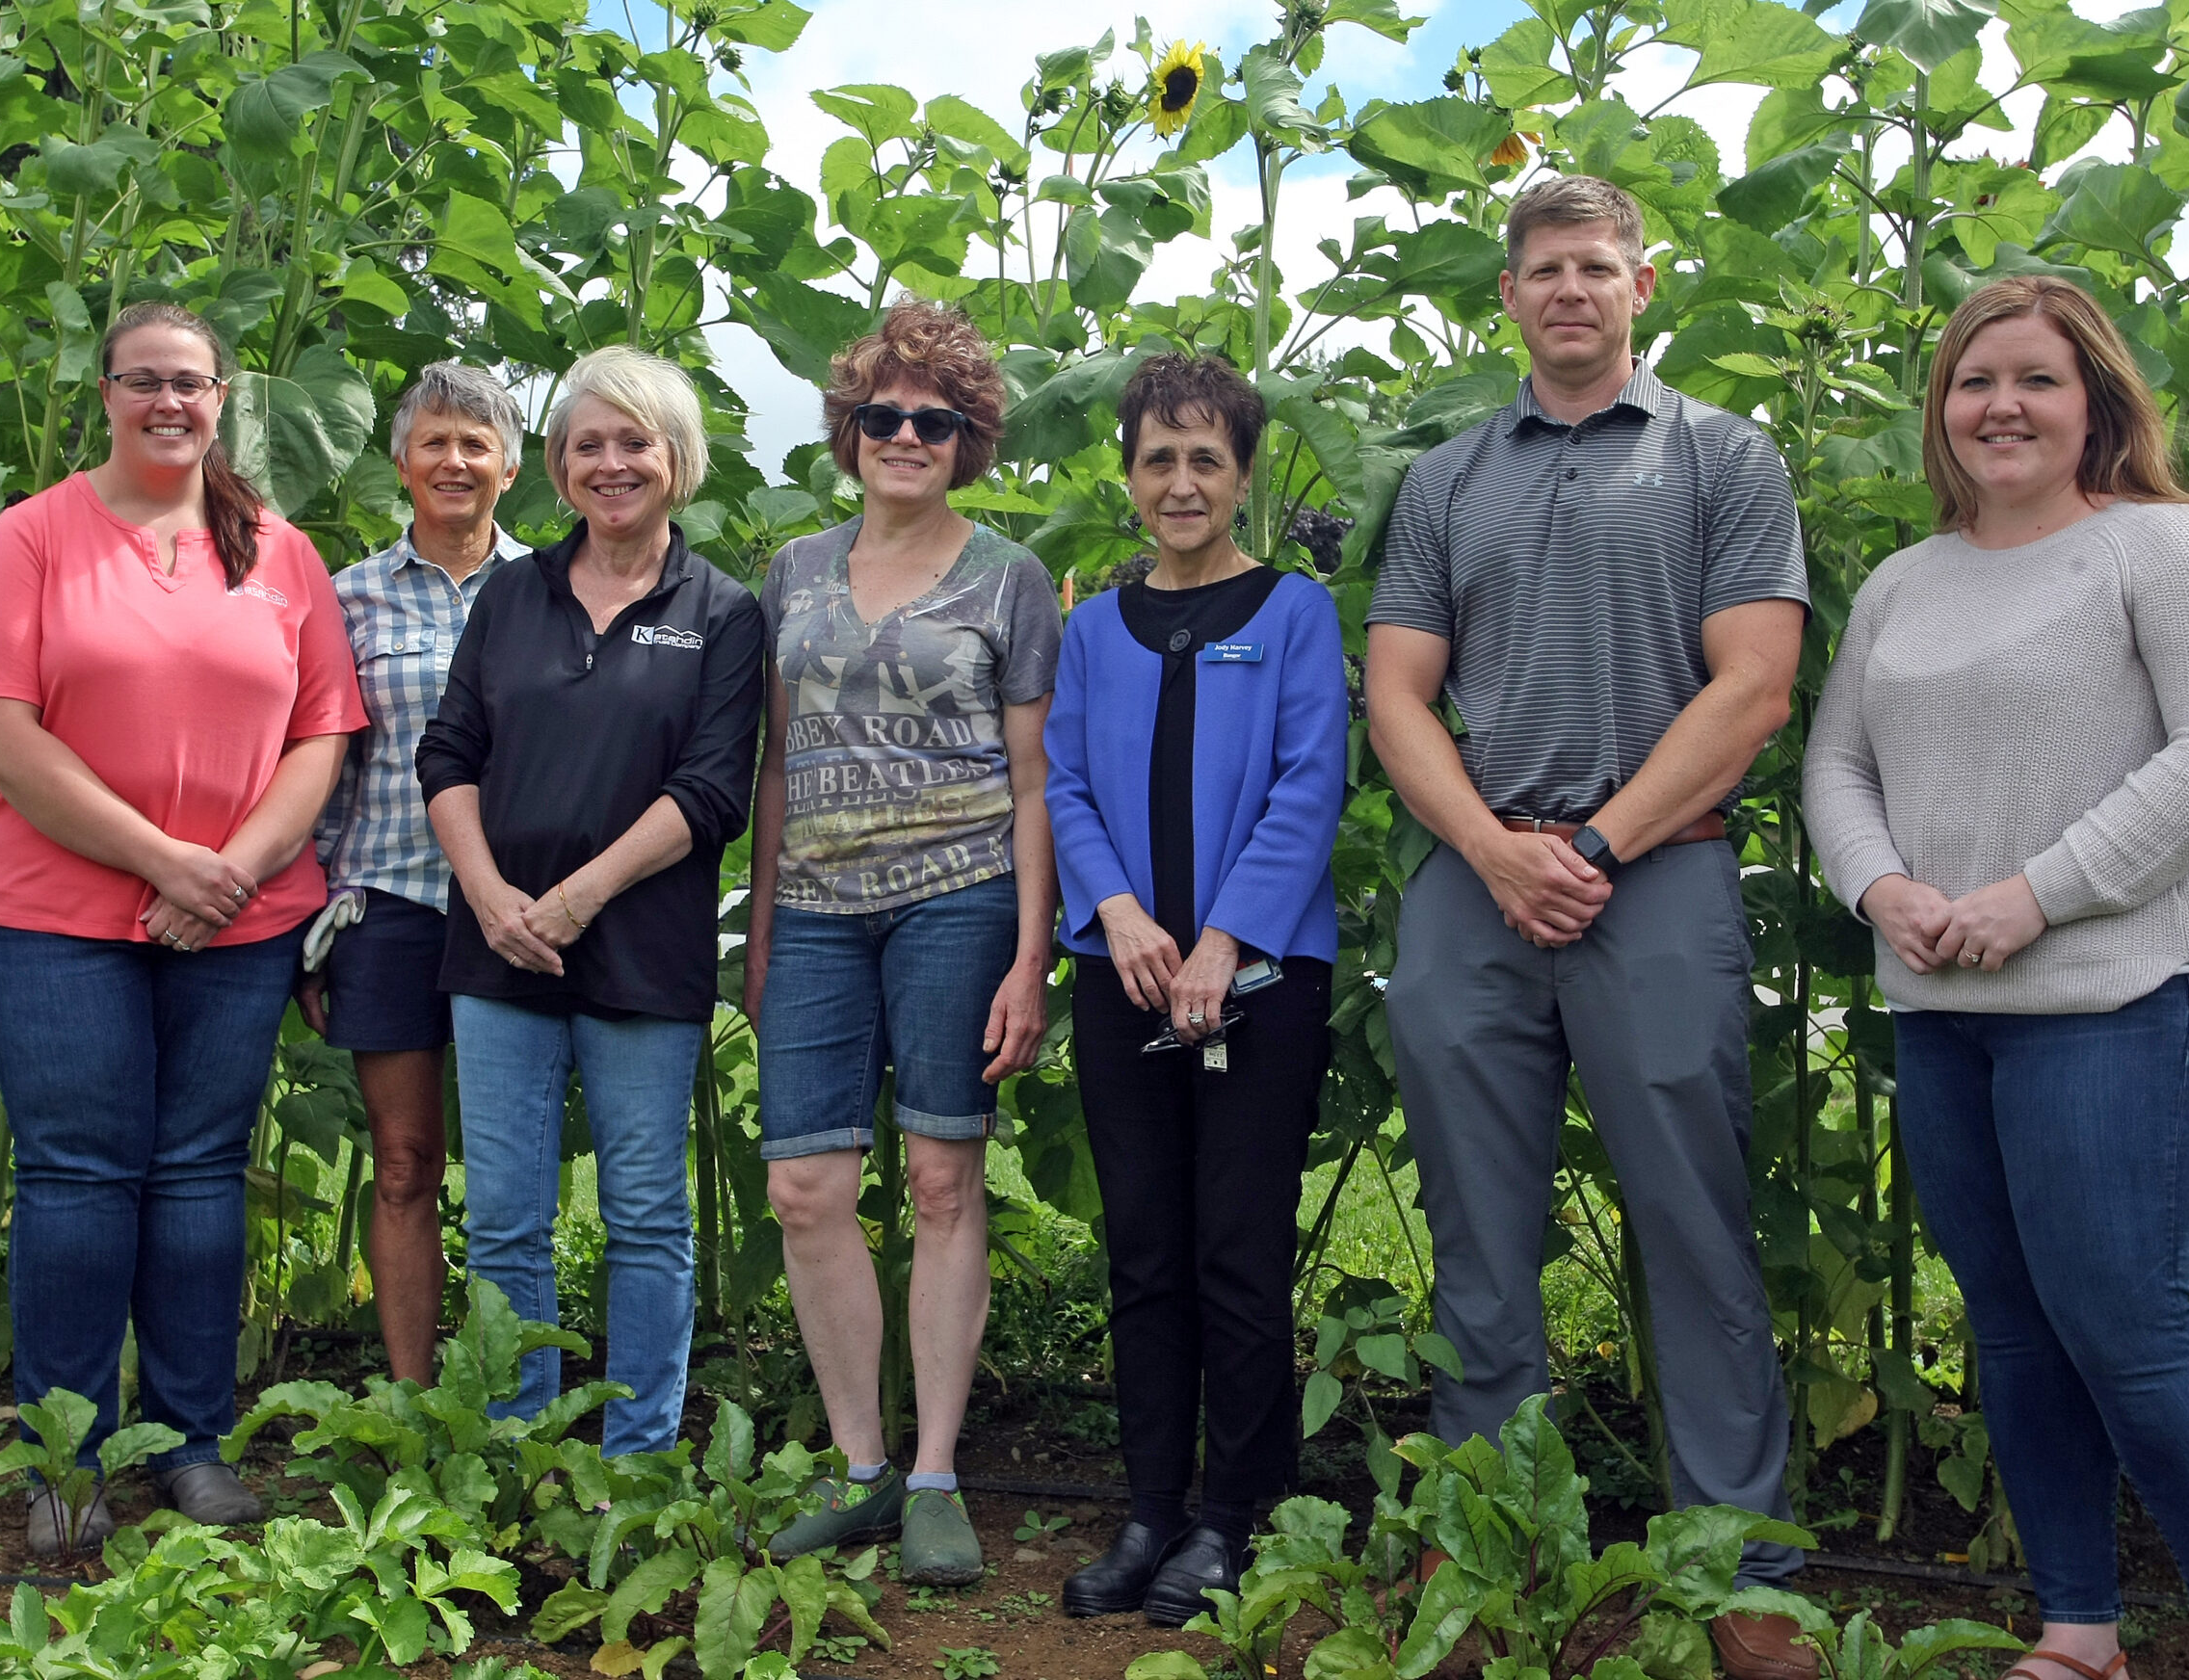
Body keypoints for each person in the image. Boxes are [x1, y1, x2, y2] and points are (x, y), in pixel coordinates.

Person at [1804, 276, 2189, 1680]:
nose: (2002, 406)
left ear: (2099, 402)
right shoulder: (1908, 581)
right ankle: (2079, 1628)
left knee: (2126, 1324)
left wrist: (2038, 896)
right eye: (1974, 382)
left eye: (2036, 380)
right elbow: (1840, 761)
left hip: (2133, 999)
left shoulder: (2167, 554)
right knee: (2013, 1334)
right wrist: (1879, 884)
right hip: (1949, 1010)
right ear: (1942, 412)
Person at [1363, 174, 1814, 1680]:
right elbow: (1397, 693)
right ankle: (1491, 1548)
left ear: (1642, 287)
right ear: (1506, 297)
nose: (1571, 289)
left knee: (1694, 1220)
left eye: (1598, 267)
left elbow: (1753, 684)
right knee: (1476, 1233)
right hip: (1476, 883)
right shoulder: (1443, 481)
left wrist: (1599, 846)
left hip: (1661, 874)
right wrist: (1498, 851)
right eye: (1545, 268)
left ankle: (1736, 1569)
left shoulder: (1725, 460)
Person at [0, 302, 365, 1554]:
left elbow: (322, 731)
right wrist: (168, 860)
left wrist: (229, 872)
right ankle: (66, 1462)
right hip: (52, 913)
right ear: (108, 393)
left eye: (190, 383)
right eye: (145, 382)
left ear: (224, 397)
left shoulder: (278, 552)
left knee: (196, 1177)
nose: (168, 402)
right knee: (78, 1176)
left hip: (236, 923)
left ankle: (191, 1446)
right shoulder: (35, 537)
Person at [752, 301, 1059, 1586]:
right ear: (850, 429)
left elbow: (1036, 778)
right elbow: (774, 764)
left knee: (942, 1184)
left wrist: (1032, 959)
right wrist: (761, 933)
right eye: (883, 415)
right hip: (815, 909)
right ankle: (861, 1466)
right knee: (805, 1190)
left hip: (961, 897)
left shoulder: (1011, 578)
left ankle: (934, 1475)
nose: (907, 436)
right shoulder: (792, 571)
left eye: (937, 420)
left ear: (969, 438)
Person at [413, 346, 763, 1455]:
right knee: (507, 1222)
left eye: (634, 443)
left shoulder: (721, 612)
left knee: (647, 1220)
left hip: (643, 957)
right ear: (557, 467)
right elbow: (448, 751)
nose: (610, 465)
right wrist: (490, 894)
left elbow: (711, 792)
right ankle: (517, 1446)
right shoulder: (513, 593)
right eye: (586, 446)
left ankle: (637, 1457)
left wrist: (571, 899)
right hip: (496, 953)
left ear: (677, 459)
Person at [1044, 354, 1348, 1624]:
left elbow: (1308, 781)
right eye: (1159, 458)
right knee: (1147, 1251)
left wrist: (1224, 940)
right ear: (1128, 474)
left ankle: (1240, 1514)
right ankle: (1154, 1508)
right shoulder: (1094, 629)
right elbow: (1063, 784)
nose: (1181, 482)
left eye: (1206, 460)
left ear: (1241, 476)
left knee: (1237, 1249)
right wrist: (1118, 915)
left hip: (1259, 987)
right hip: (1125, 980)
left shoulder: (1291, 613)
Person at [299, 363, 534, 1385]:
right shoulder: (342, 598)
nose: (455, 460)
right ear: (400, 461)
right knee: (403, 1163)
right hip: (389, 902)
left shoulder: (552, 592)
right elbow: (315, 764)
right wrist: (305, 924)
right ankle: (410, 1399)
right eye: (435, 442)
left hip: (520, 911)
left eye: (476, 444)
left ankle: (511, 1393)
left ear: (511, 467)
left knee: (512, 1179)